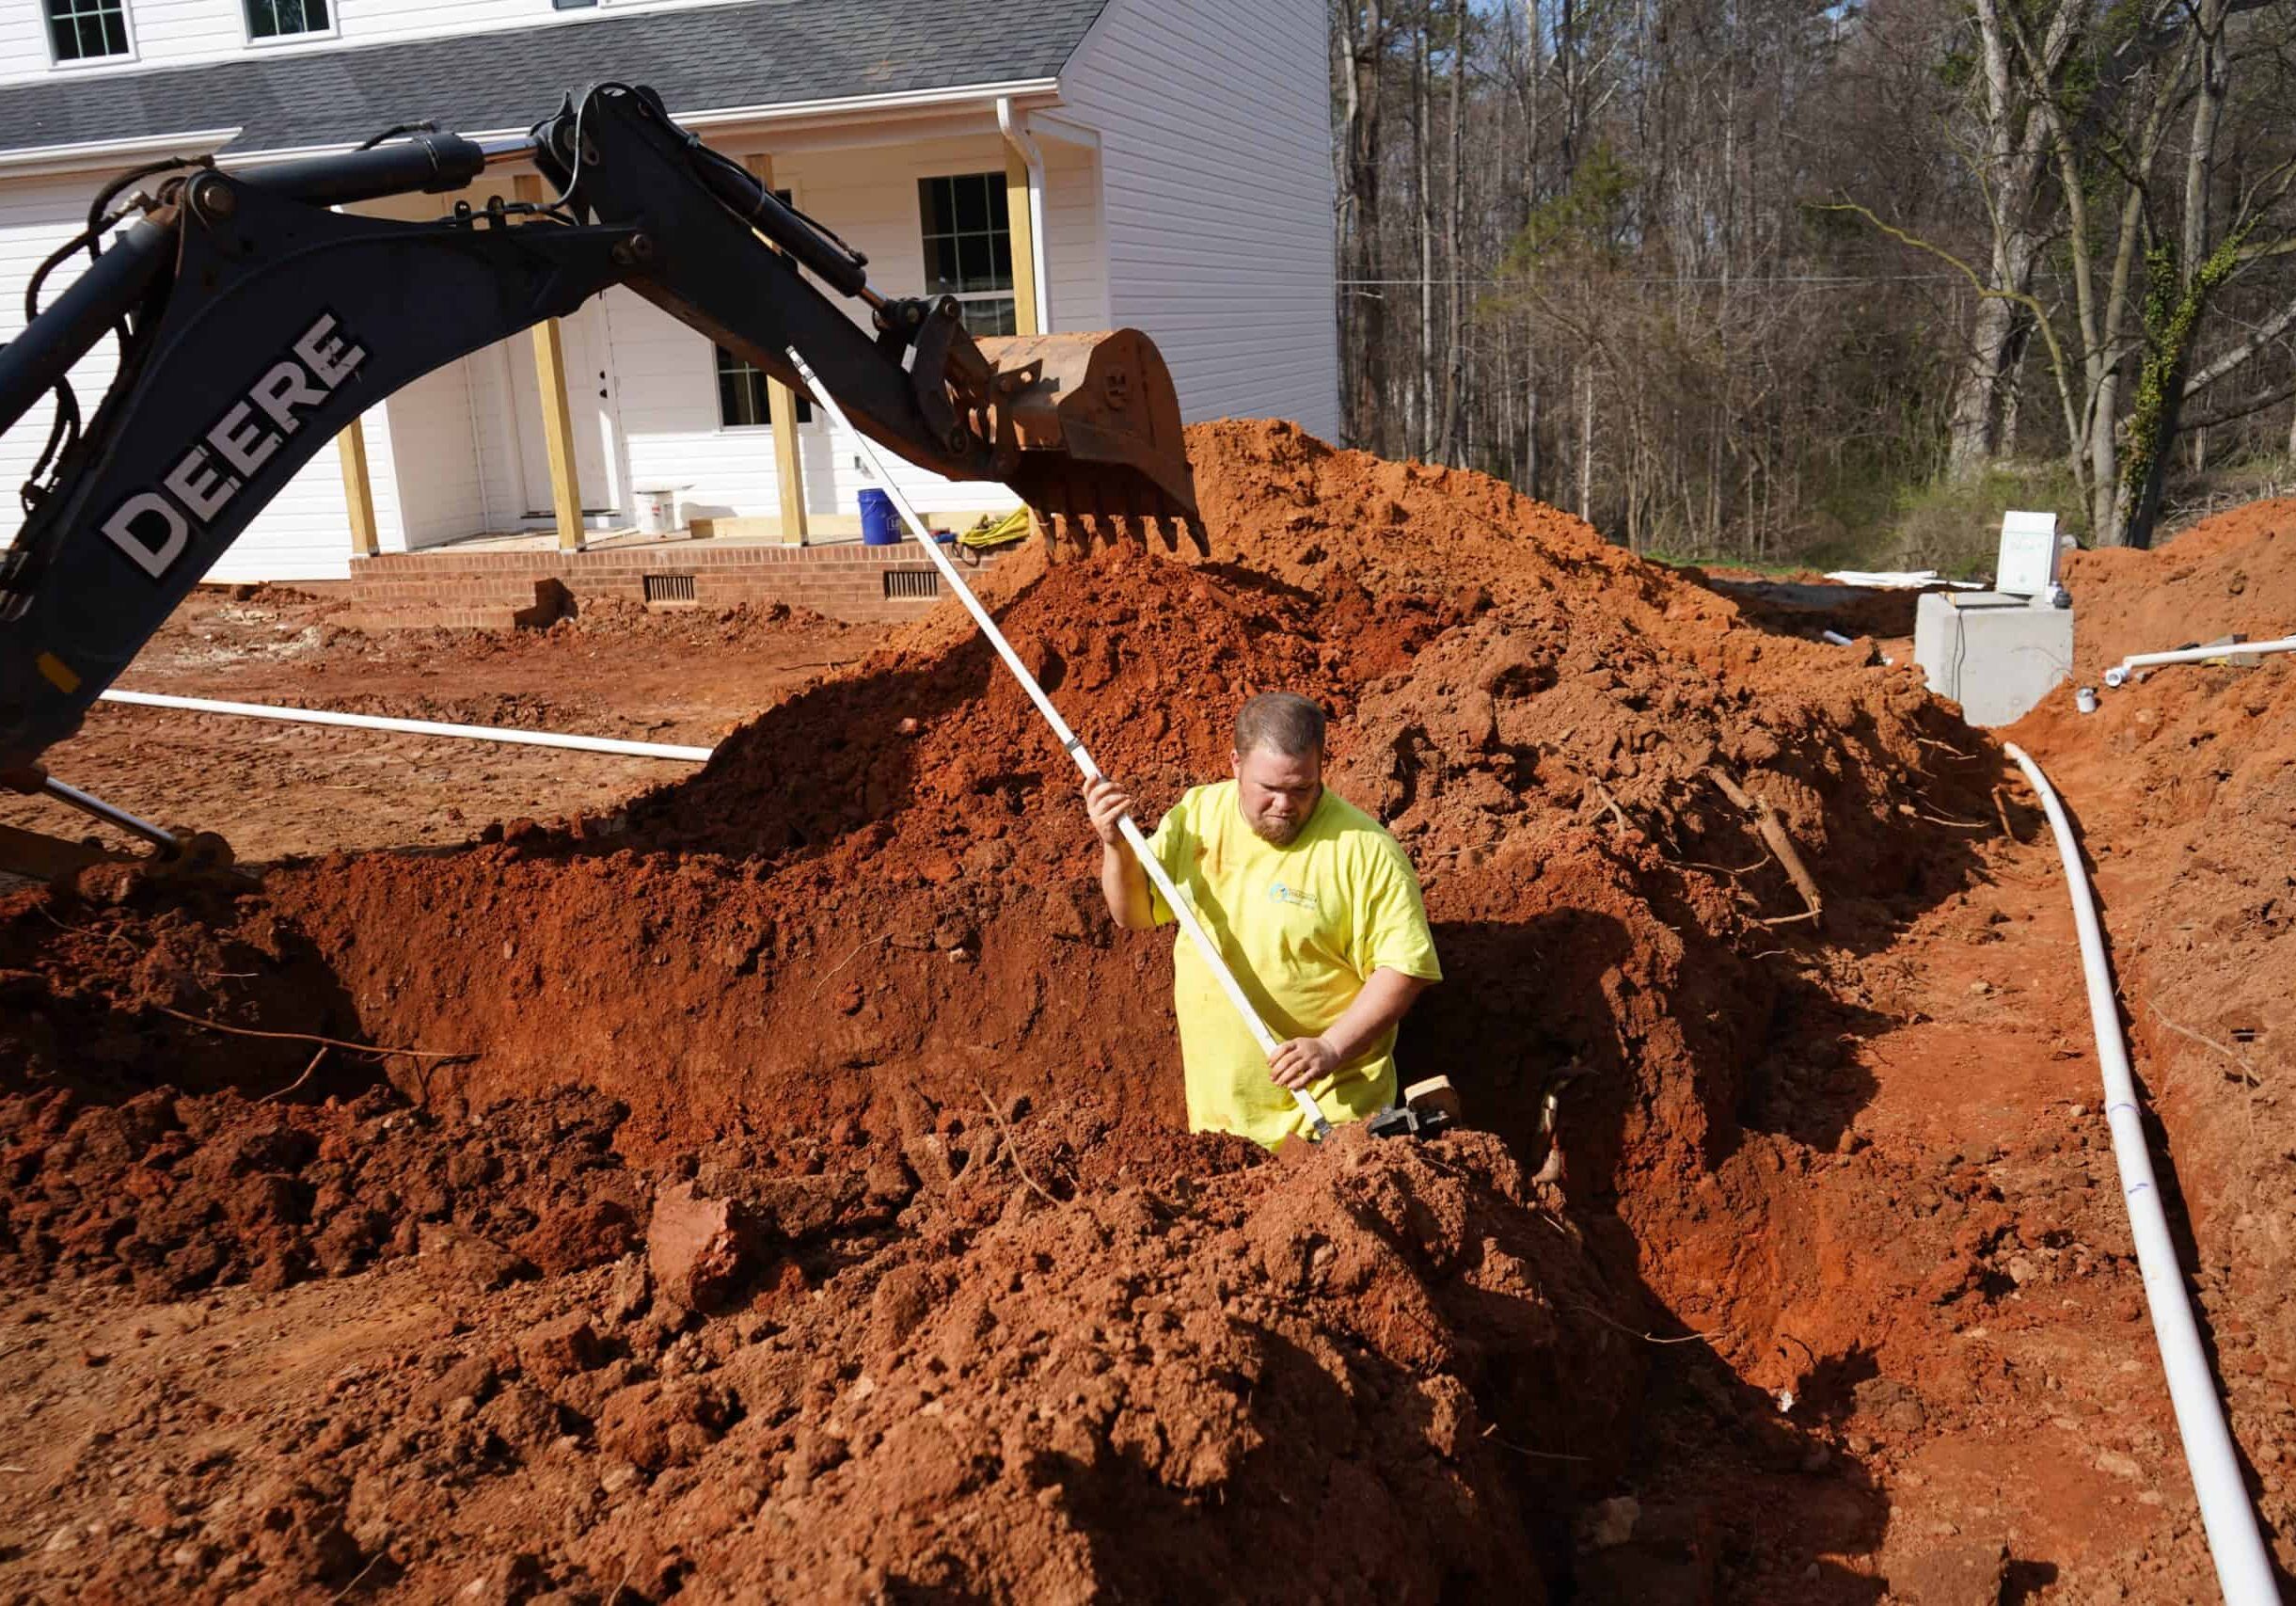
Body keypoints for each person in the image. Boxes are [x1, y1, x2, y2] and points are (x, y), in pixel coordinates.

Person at [1084, 692, 1441, 1148]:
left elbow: (1404, 970)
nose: (1284, 805)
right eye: (1268, 789)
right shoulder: (1198, 817)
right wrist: (1115, 845)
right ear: (1236, 764)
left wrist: (1330, 1047)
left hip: (1330, 1122)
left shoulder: (1366, 852)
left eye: (1301, 789)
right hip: (1222, 1127)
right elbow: (1131, 914)